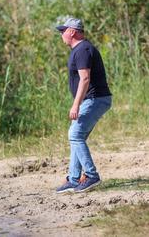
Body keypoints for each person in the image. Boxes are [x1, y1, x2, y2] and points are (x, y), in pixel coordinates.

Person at [55, 17, 112, 193]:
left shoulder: (83, 49)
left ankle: (91, 175)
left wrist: (76, 105)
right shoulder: (80, 49)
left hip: (95, 99)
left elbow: (85, 79)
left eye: (63, 31)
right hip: (93, 99)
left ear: (72, 31)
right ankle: (73, 179)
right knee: (76, 136)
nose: (61, 34)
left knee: (75, 134)